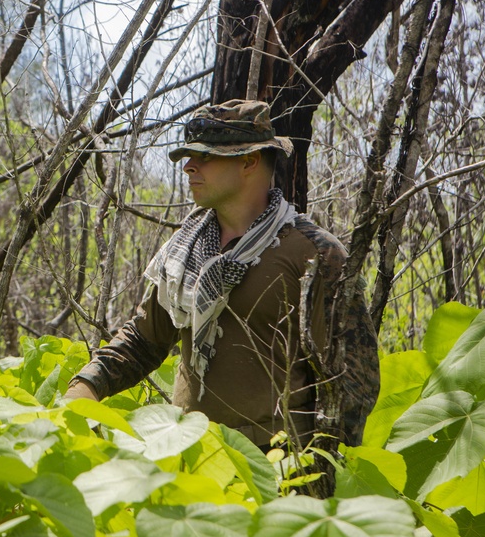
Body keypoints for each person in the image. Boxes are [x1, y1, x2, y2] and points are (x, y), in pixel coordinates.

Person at [64, 100, 379, 450]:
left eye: (206, 156)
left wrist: (317, 476)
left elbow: (353, 385)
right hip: (188, 460)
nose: (188, 167)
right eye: (189, 156)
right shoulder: (186, 249)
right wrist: (87, 385)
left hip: (275, 475)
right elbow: (145, 340)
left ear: (249, 161)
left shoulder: (316, 255)